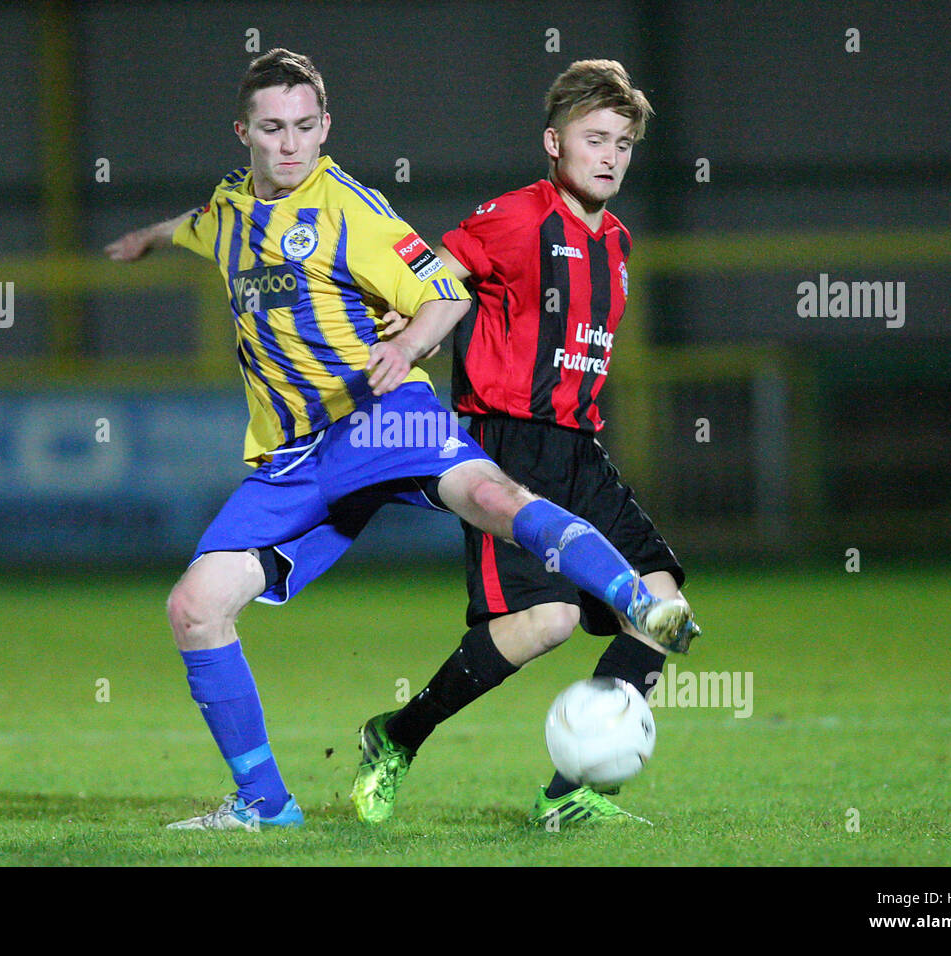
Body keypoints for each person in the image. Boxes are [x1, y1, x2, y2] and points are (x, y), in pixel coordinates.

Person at [106, 49, 692, 831]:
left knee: (495, 500)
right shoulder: (231, 211)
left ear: (325, 129)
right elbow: (203, 226)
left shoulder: (352, 209)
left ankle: (620, 640)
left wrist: (408, 342)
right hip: (295, 457)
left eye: (306, 128)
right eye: (274, 129)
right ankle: (265, 805)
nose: (290, 145)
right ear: (243, 132)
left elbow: (442, 286)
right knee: (194, 607)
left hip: (388, 416)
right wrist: (147, 237)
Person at [350, 59, 699, 829]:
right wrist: (412, 342)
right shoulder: (516, 217)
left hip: (582, 450)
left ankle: (570, 790)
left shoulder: (618, 241)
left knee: (661, 607)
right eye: (594, 139)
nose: (610, 156)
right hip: (507, 451)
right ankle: (396, 736)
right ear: (554, 142)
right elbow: (443, 278)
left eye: (623, 143)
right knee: (548, 623)